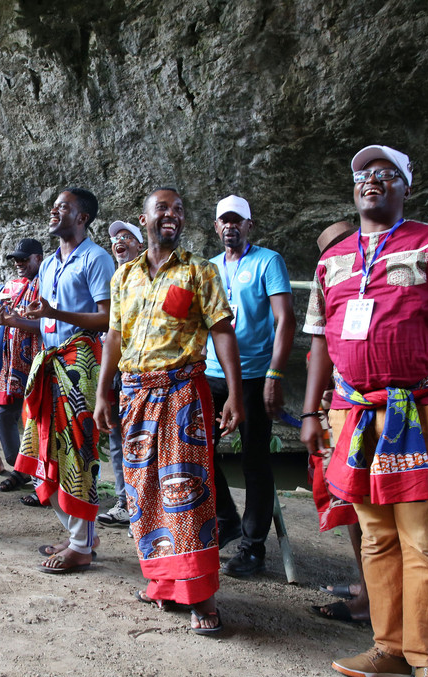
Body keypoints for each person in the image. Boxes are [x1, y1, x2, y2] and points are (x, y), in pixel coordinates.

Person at [299, 145, 428, 677]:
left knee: (424, 540)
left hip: (424, 409)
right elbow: (317, 341)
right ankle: (389, 648)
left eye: (387, 174)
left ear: (408, 187)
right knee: (377, 538)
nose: (372, 180)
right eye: (363, 173)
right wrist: (312, 411)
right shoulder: (330, 261)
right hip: (353, 415)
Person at [95, 187, 243, 635]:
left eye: (179, 210)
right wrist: (104, 393)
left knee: (188, 493)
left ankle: (201, 596)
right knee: (145, 496)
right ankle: (162, 583)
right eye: (163, 209)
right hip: (134, 394)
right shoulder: (123, 277)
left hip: (182, 393)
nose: (172, 216)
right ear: (144, 220)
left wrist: (234, 393)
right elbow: (114, 340)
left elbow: (222, 332)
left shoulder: (200, 271)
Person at [13, 188, 115, 573]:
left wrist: (56, 311)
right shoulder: (51, 264)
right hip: (50, 362)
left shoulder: (97, 259)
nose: (54, 212)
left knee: (77, 451)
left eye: (63, 207)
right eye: (53, 207)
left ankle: (82, 545)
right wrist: (14, 321)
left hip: (81, 362)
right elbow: (46, 319)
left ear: (83, 217)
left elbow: (107, 319)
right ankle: (79, 535)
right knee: (46, 449)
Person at [203, 195, 295, 576]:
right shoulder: (208, 267)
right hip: (210, 374)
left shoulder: (267, 261)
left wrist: (275, 374)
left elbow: (285, 319)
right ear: (215, 227)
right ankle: (225, 518)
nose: (230, 226)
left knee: (254, 460)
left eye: (237, 220)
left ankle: (253, 547)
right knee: (194, 448)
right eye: (224, 220)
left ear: (249, 226)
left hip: (255, 375)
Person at [306, 221, 370, 625]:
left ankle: (372, 600)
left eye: (345, 245)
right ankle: (368, 586)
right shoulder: (332, 287)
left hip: (370, 413)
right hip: (341, 413)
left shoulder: (374, 280)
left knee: (367, 510)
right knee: (351, 507)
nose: (340, 255)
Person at [0, 238, 44, 493]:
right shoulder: (11, 284)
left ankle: (33, 475)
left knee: (36, 419)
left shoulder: (48, 284)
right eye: (16, 258)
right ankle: (19, 466)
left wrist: (13, 320)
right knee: (2, 414)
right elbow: (2, 314)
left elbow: (49, 324)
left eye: (24, 258)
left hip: (39, 361)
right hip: (11, 363)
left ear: (38, 257)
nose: (19, 263)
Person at [97, 219, 144, 527]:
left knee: (141, 437)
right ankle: (125, 501)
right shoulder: (115, 278)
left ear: (141, 245)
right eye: (115, 238)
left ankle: (145, 508)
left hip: (142, 370)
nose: (119, 242)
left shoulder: (147, 276)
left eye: (127, 237)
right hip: (115, 366)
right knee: (117, 435)